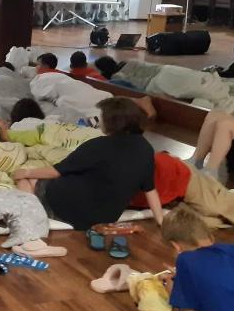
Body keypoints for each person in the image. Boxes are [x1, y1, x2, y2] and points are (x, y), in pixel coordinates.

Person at [13, 97, 163, 231]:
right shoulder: (146, 149)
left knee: (27, 181)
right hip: (105, 218)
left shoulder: (98, 145)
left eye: (101, 117)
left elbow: (56, 171)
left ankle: (30, 223)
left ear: (111, 121)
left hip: (68, 209)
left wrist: (26, 172)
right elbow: (150, 191)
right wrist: (161, 222)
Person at [128, 151, 234, 227]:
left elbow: (150, 189)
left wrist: (160, 221)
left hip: (181, 177)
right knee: (197, 222)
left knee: (214, 209)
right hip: (165, 196)